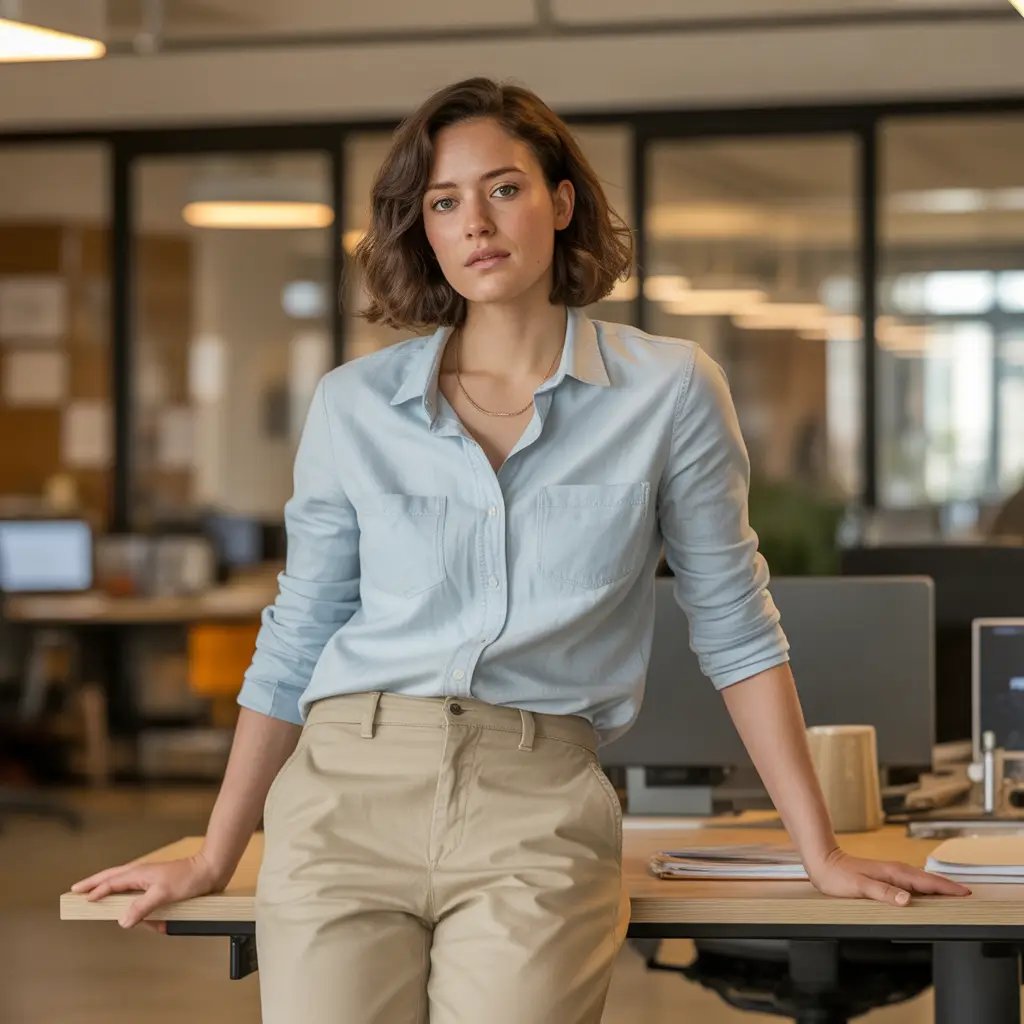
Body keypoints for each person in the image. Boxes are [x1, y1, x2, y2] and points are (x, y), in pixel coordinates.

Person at [70, 78, 969, 1024]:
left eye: (503, 188)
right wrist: (215, 850)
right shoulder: (353, 404)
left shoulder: (667, 392)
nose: (475, 224)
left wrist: (817, 849)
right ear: (422, 228)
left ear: (561, 201)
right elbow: (299, 631)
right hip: (346, 792)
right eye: (444, 202)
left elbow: (737, 627)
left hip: (537, 804)